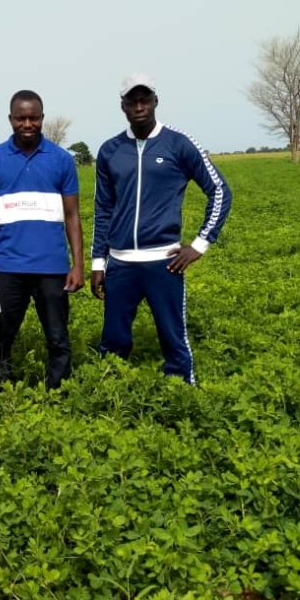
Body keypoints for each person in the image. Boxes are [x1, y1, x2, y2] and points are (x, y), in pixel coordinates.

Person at [90, 73, 232, 384]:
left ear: (156, 101)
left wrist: (199, 244)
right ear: (123, 106)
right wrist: (98, 262)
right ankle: (111, 391)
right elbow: (103, 209)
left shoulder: (178, 144)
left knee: (173, 337)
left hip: (163, 262)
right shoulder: (110, 150)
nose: (139, 106)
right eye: (132, 101)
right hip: (121, 262)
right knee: (113, 338)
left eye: (145, 99)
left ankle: (181, 390)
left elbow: (219, 191)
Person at [0, 90, 84, 389]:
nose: (27, 124)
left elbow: (73, 215)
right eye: (21, 118)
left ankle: (57, 390)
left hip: (53, 268)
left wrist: (78, 264)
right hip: (6, 268)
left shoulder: (61, 160)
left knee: (58, 335)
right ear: (10, 119)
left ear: (42, 119)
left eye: (33, 118)